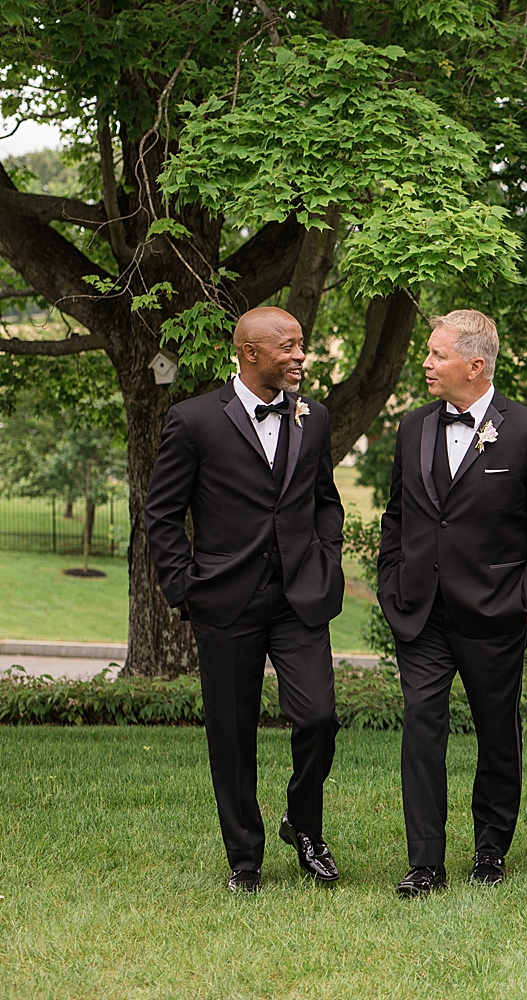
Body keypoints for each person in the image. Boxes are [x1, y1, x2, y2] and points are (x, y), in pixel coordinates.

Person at [145, 306, 345, 893]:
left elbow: (324, 499)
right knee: (231, 735)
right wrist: (185, 587)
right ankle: (244, 859)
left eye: (301, 345)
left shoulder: (317, 418)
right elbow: (161, 514)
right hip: (224, 600)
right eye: (289, 347)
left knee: (319, 718)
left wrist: (326, 560)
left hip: (298, 599)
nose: (300, 356)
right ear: (250, 352)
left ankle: (303, 824)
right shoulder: (194, 420)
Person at [377, 309, 527, 896]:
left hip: (494, 615)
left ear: (475, 364)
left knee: (496, 732)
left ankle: (490, 849)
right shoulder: (412, 427)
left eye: (437, 355)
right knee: (422, 729)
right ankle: (425, 863)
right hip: (421, 614)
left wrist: (523, 599)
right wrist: (392, 582)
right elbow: (396, 516)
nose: (427, 363)